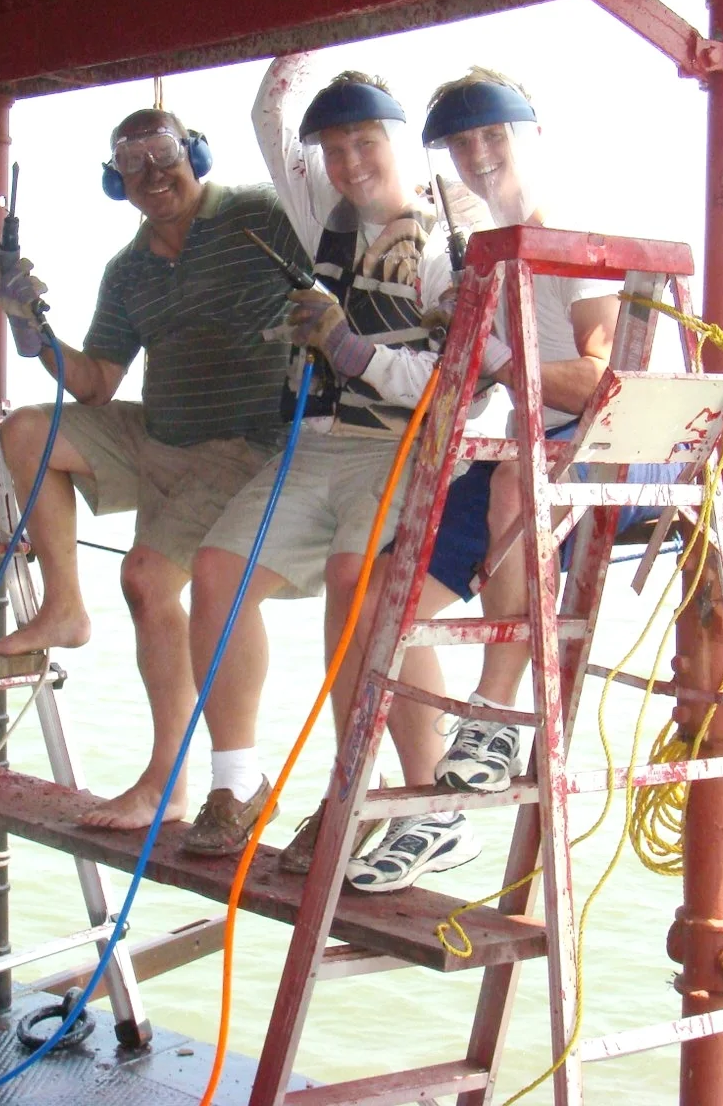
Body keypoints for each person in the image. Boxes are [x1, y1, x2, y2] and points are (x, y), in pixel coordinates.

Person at [336, 67, 667, 834]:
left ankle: (493, 709)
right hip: (538, 445)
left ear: (532, 137)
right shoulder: (485, 251)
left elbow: (602, 383)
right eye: (460, 142)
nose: (476, 152)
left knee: (518, 470)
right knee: (383, 591)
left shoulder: (572, 229)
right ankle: (430, 811)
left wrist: (491, 354)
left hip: (633, 443)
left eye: (492, 134)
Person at [179, 53, 466, 891]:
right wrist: (307, 43)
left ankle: (356, 796)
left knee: (354, 581)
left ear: (401, 143)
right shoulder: (323, 218)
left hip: (398, 448)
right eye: (334, 149)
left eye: (364, 142)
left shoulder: (447, 248)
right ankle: (237, 783)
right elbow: (273, 120)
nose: (347, 164)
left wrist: (350, 349)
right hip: (316, 446)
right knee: (216, 571)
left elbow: (455, 378)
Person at [0, 107, 306, 830]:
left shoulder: (261, 215)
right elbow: (95, 383)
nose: (153, 173)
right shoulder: (127, 271)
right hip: (160, 437)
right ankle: (63, 605)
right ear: (114, 181)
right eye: (132, 163)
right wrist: (32, 332)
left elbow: (335, 256)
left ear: (196, 152)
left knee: (147, 579)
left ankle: (171, 785)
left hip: (244, 444)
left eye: (163, 152)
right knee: (29, 429)